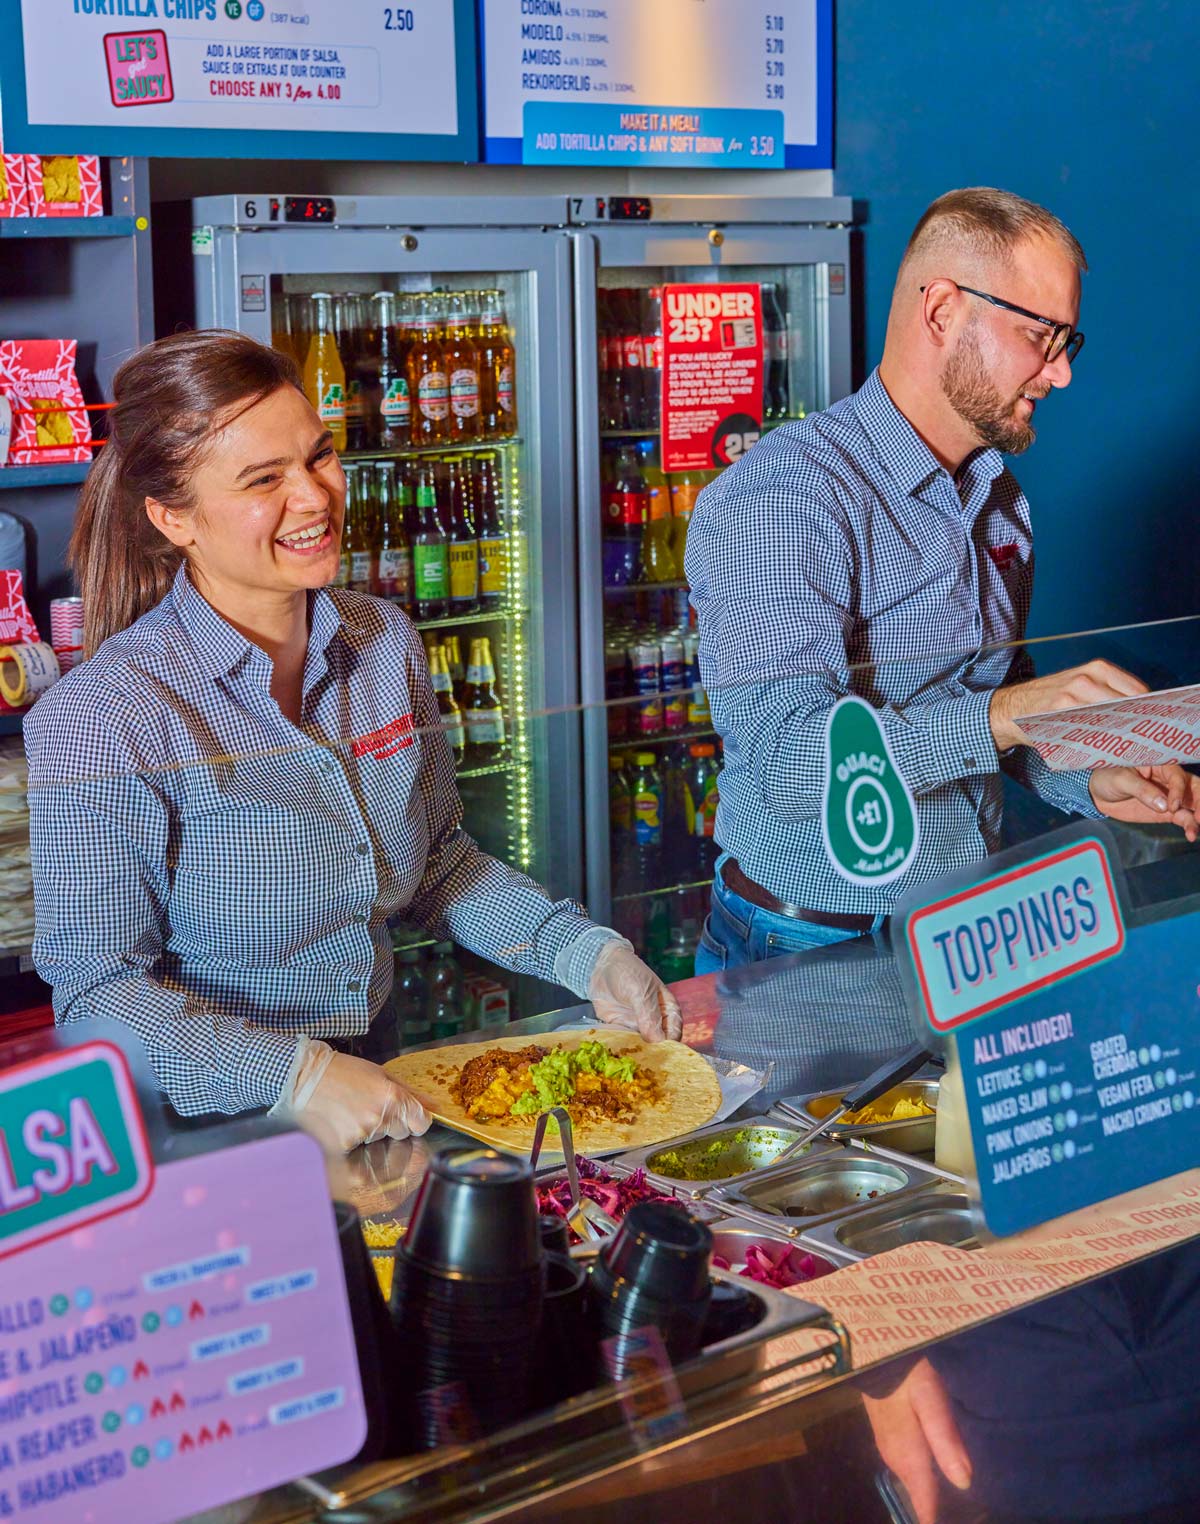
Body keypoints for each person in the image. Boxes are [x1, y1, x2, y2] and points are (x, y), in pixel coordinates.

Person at [25, 330, 680, 1153]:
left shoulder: (383, 640)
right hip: (213, 1123)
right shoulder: (108, 714)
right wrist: (292, 1075)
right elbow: (98, 995)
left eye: (319, 456)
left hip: (383, 1077)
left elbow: (437, 863)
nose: (314, 496)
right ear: (172, 517)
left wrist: (587, 955)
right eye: (265, 480)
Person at [685, 187, 1200, 974]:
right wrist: (1007, 713)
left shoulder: (999, 498)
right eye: (1041, 335)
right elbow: (787, 759)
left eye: (1069, 342)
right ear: (941, 311)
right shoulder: (788, 496)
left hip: (964, 933)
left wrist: (1093, 775)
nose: (1059, 374)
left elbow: (998, 712)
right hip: (809, 944)